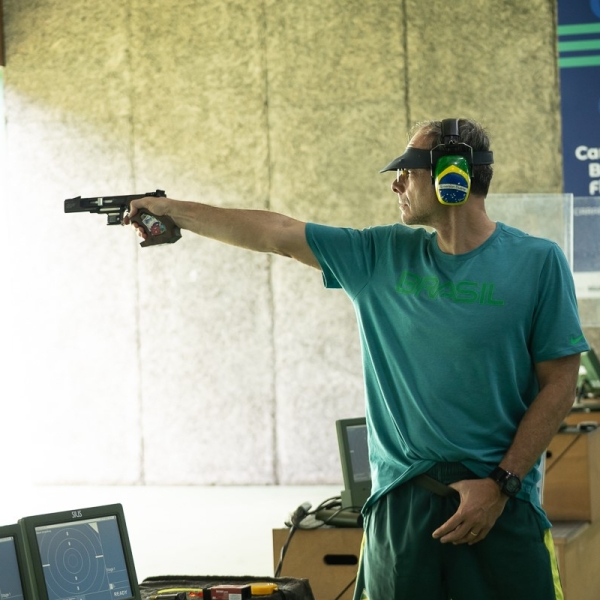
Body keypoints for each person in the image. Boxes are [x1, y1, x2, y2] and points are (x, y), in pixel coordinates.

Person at [127, 118, 589, 600]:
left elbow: (560, 385)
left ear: (452, 173)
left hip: (502, 502)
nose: (396, 184)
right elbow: (276, 233)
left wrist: (501, 484)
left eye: (407, 171)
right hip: (402, 504)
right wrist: (171, 210)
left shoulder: (538, 261)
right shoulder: (380, 254)